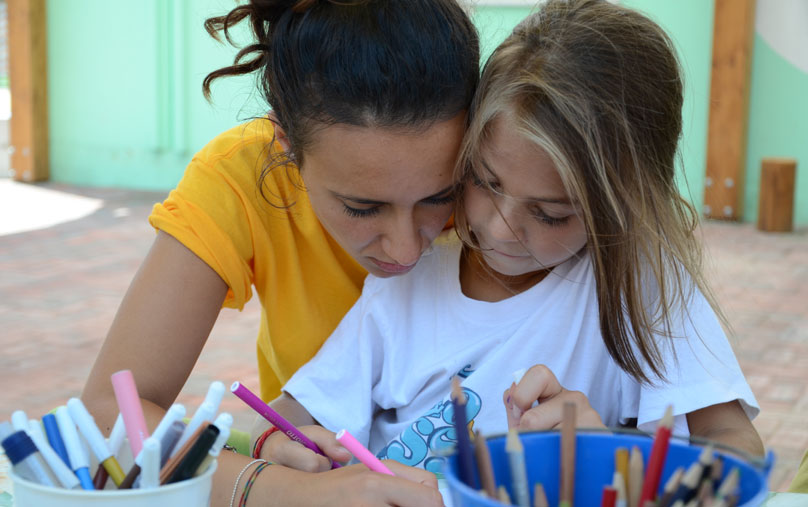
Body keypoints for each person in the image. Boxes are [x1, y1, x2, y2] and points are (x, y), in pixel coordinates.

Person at [256, 0, 765, 486]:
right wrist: (273, 442)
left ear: (622, 206)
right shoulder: (410, 283)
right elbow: (290, 415)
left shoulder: (644, 289)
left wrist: (608, 454)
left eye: (551, 213)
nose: (499, 230)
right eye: (482, 181)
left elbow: (736, 449)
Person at [80, 0, 479, 505]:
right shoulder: (240, 176)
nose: (405, 250)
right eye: (361, 207)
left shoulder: (511, 177)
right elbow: (107, 417)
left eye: (442, 197)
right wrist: (284, 489)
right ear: (286, 144)